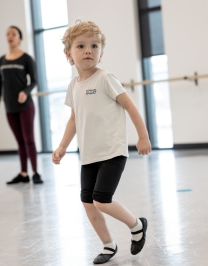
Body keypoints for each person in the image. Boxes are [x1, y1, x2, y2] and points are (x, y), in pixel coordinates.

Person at [52, 20, 152, 264]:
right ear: (69, 54)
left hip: (112, 152)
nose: (88, 50)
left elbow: (130, 107)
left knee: (101, 199)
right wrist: (62, 146)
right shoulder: (73, 86)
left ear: (101, 53)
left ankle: (137, 225)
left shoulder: (106, 78)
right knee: (88, 203)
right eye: (81, 46)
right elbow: (73, 120)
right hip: (89, 155)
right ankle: (108, 245)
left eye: (94, 46)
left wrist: (143, 136)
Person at [0, 25, 43, 185]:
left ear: (20, 38)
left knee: (29, 140)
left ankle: (35, 172)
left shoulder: (26, 58)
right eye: (7, 34)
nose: (10, 36)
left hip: (25, 106)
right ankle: (23, 173)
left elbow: (34, 81)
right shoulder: (1, 60)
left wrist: (25, 92)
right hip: (9, 107)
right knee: (19, 141)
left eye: (13, 34)